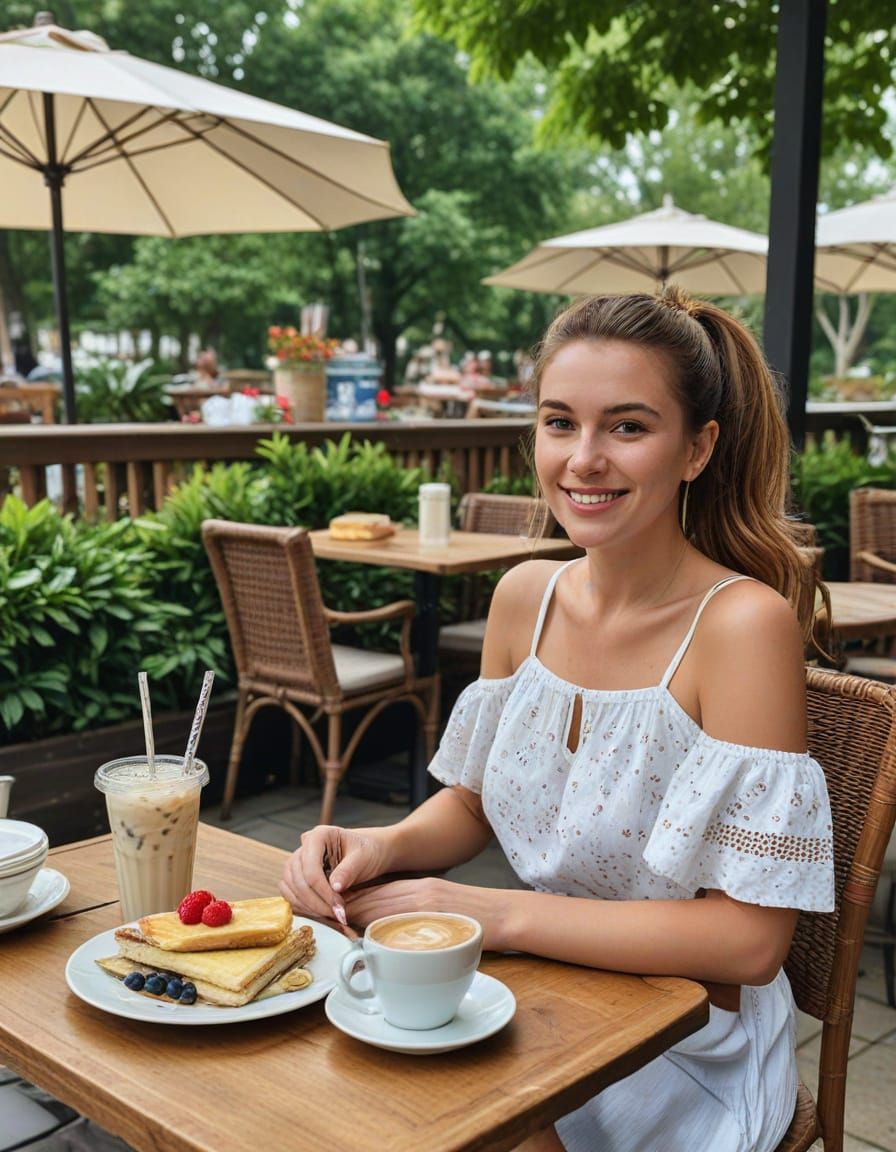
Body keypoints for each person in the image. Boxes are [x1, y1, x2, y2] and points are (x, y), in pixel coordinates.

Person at [281, 286, 835, 1152]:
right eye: (558, 422)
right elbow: (471, 803)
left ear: (698, 449)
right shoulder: (522, 598)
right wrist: (376, 846)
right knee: (329, 1072)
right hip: (542, 991)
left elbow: (747, 941)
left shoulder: (740, 626)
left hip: (684, 1037)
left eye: (626, 426)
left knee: (446, 1118)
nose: (583, 459)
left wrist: (492, 916)